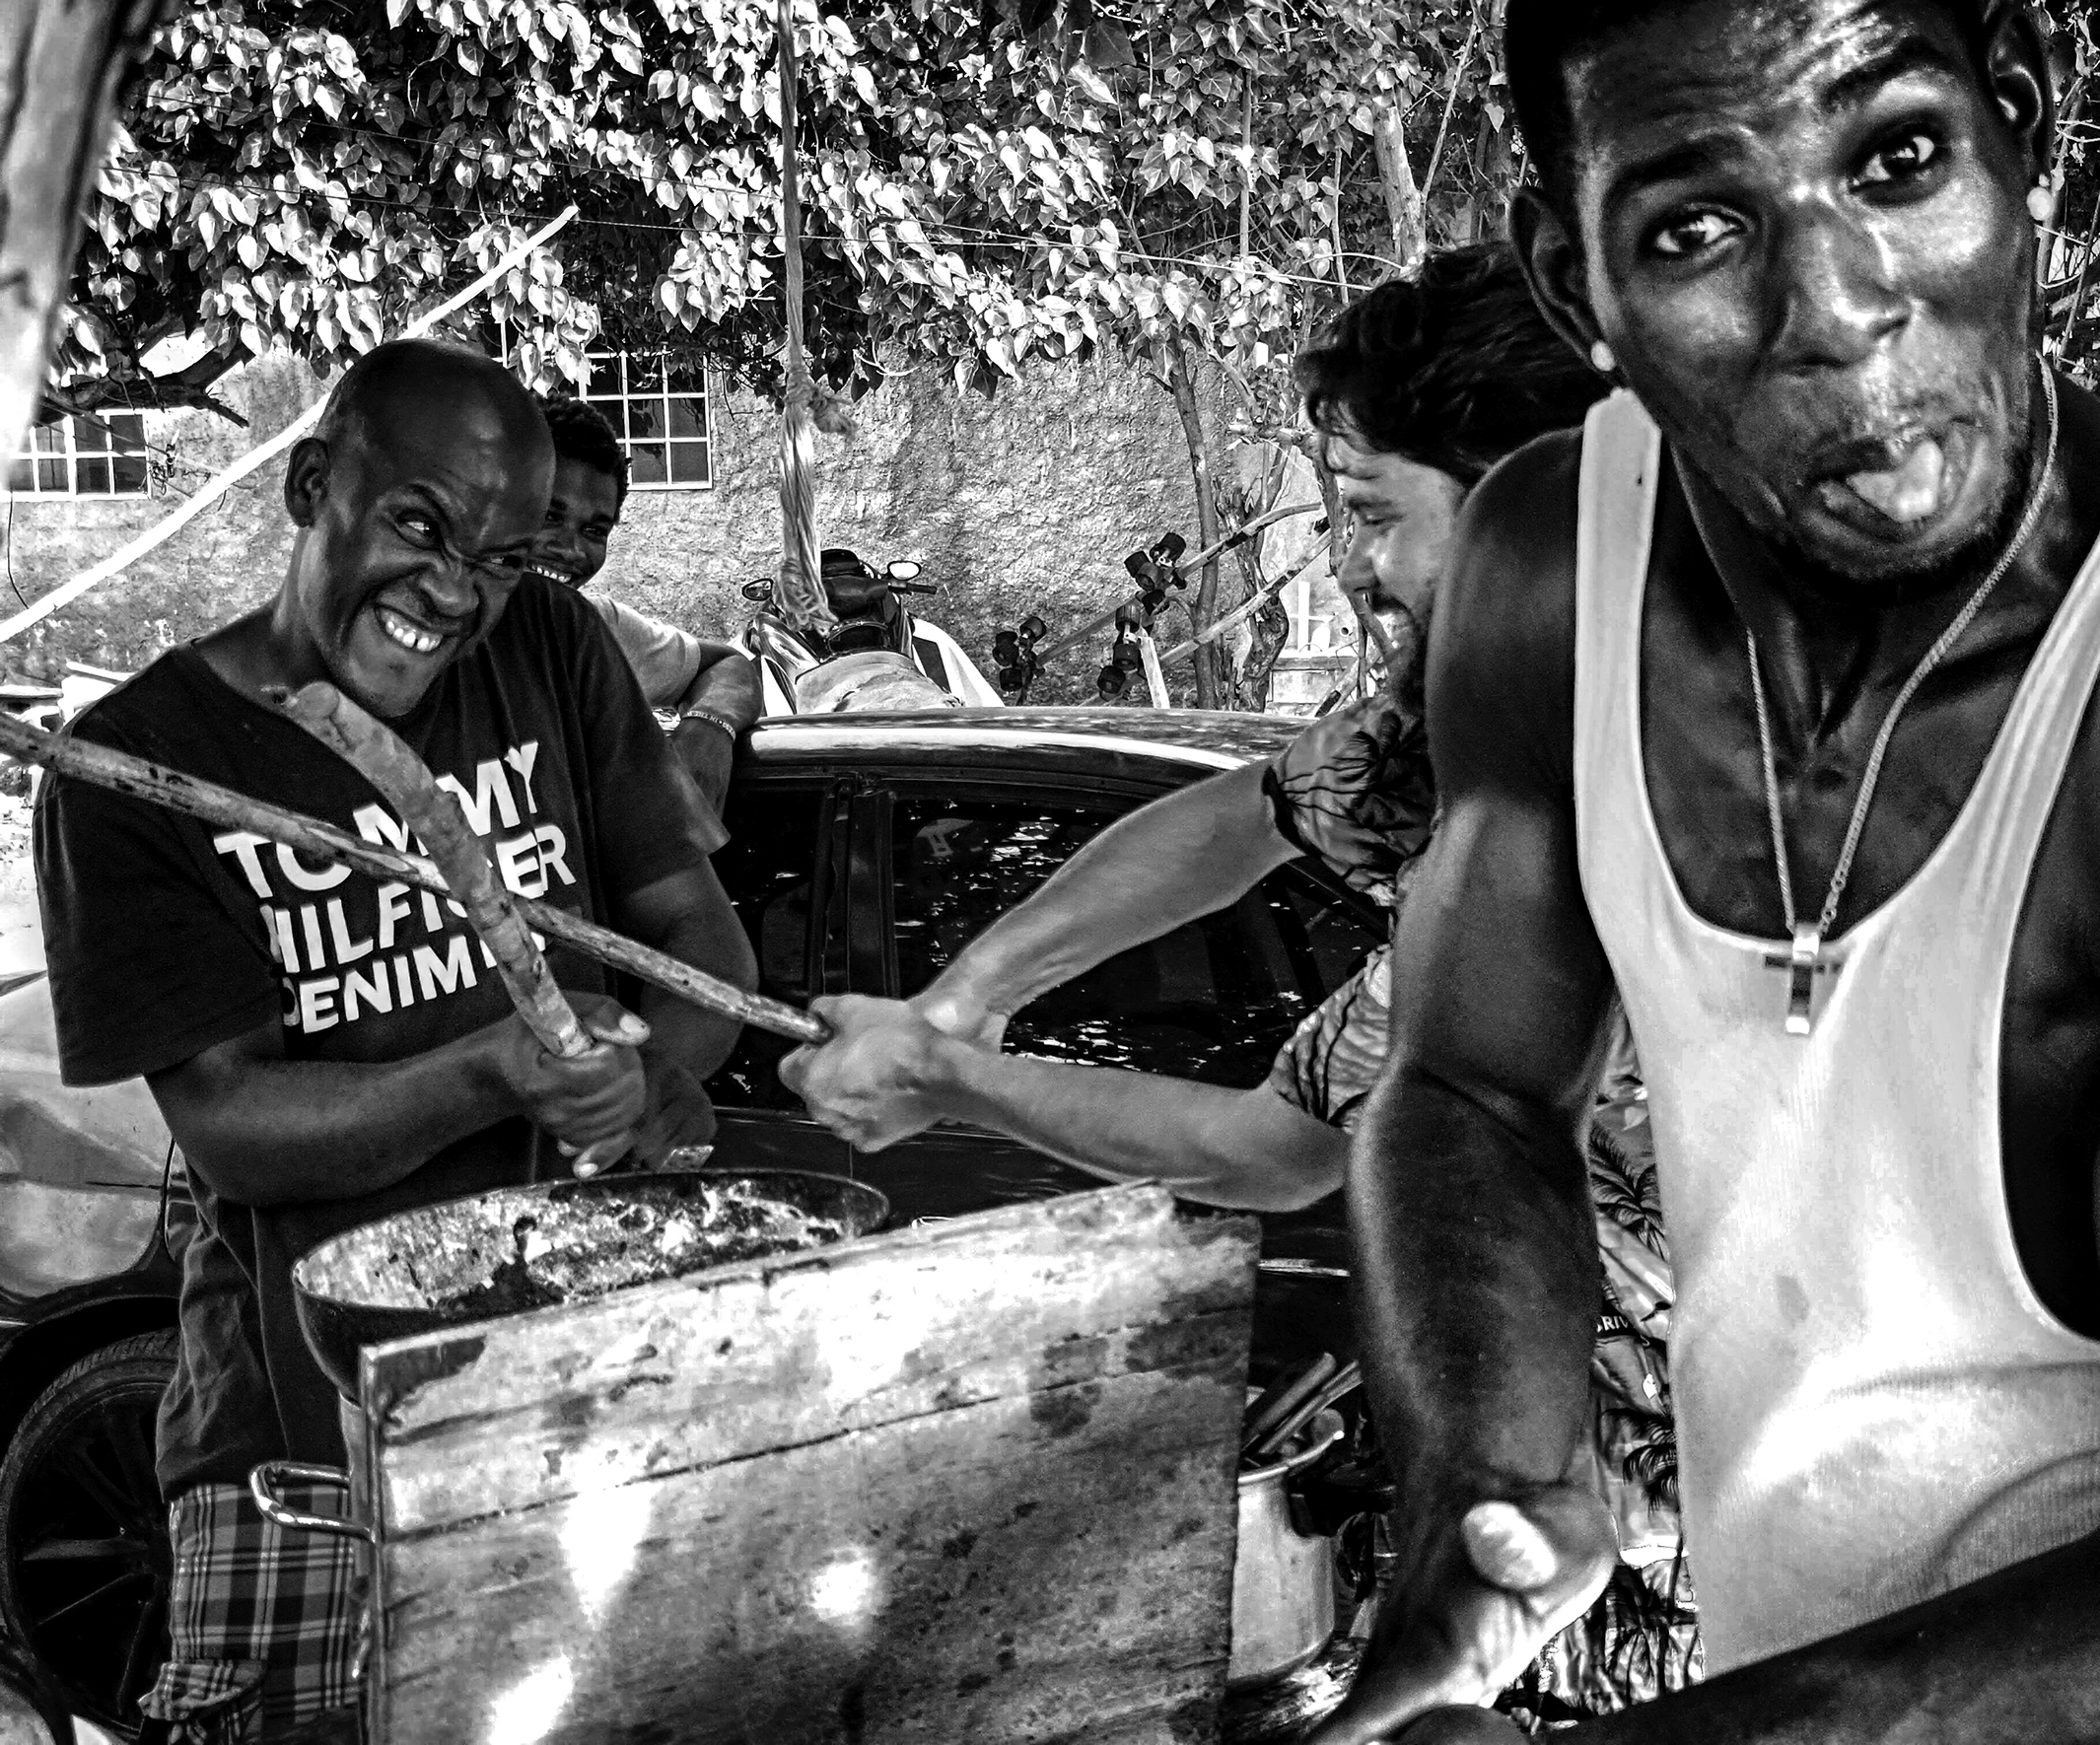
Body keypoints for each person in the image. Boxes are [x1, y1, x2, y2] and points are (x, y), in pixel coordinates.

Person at [1307, 3, 2100, 1742]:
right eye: (1698, 230)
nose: (1841, 314)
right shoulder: (1556, 561)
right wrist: (1487, 1500)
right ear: (1579, 290)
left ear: (2021, 132)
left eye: (1898, 159)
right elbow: (1472, 1093)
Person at [779, 247, 1686, 1720]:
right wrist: (972, 988)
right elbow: (1247, 815)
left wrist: (951, 1075)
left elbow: (1267, 1152)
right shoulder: (1471, 719)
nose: (1344, 565)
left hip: (1751, 1577)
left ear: (1544, 503)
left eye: (1374, 514)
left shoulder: (1612, 819)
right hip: (1577, 1545)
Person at [34, 339, 753, 1742]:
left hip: (579, 1417)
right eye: (420, 527)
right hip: (299, 1457)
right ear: (316, 484)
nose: (456, 594)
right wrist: (492, 1069)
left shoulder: (551, 647)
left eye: (499, 555)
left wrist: (662, 1073)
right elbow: (231, 1126)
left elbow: (699, 946)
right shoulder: (145, 767)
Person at [528, 394, 761, 813]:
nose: (570, 549)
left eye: (594, 530)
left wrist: (707, 728)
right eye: (548, 516)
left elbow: (728, 665)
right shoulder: (426, 642)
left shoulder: (598, 631)